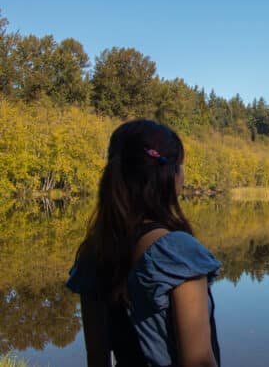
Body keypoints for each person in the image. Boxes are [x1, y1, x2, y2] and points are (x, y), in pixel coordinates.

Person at [66, 119, 222, 367]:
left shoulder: (93, 252)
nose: (182, 174)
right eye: (180, 166)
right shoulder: (177, 253)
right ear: (167, 175)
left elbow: (96, 358)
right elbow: (198, 361)